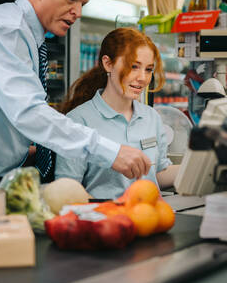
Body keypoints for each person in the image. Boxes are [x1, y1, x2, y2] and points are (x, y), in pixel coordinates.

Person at [0, 0, 151, 184]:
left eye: (82, 4)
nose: (78, 12)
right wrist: (110, 152)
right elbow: (28, 112)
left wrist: (26, 149)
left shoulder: (26, 34)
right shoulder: (8, 29)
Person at [55, 28, 180, 199]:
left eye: (149, 69)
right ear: (108, 64)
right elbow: (67, 190)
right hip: (104, 220)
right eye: (133, 66)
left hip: (150, 219)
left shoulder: (151, 117)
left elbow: (157, 173)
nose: (143, 78)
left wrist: (202, 167)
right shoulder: (78, 121)